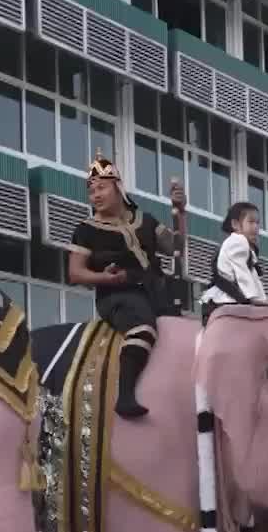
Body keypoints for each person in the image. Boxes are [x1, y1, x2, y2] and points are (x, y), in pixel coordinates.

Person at [67, 154, 184, 420]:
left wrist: (180, 211)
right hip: (118, 294)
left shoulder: (146, 220)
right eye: (91, 190)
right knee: (142, 328)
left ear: (118, 187)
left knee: (182, 334)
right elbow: (75, 273)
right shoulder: (86, 229)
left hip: (157, 291)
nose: (95, 195)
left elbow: (176, 247)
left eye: (101, 187)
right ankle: (125, 397)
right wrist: (105, 279)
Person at [198, 202, 268, 322]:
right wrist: (254, 298)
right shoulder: (239, 241)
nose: (256, 227)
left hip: (231, 296)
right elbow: (242, 272)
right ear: (236, 224)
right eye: (251, 222)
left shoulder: (244, 244)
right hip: (228, 299)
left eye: (257, 223)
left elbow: (252, 275)